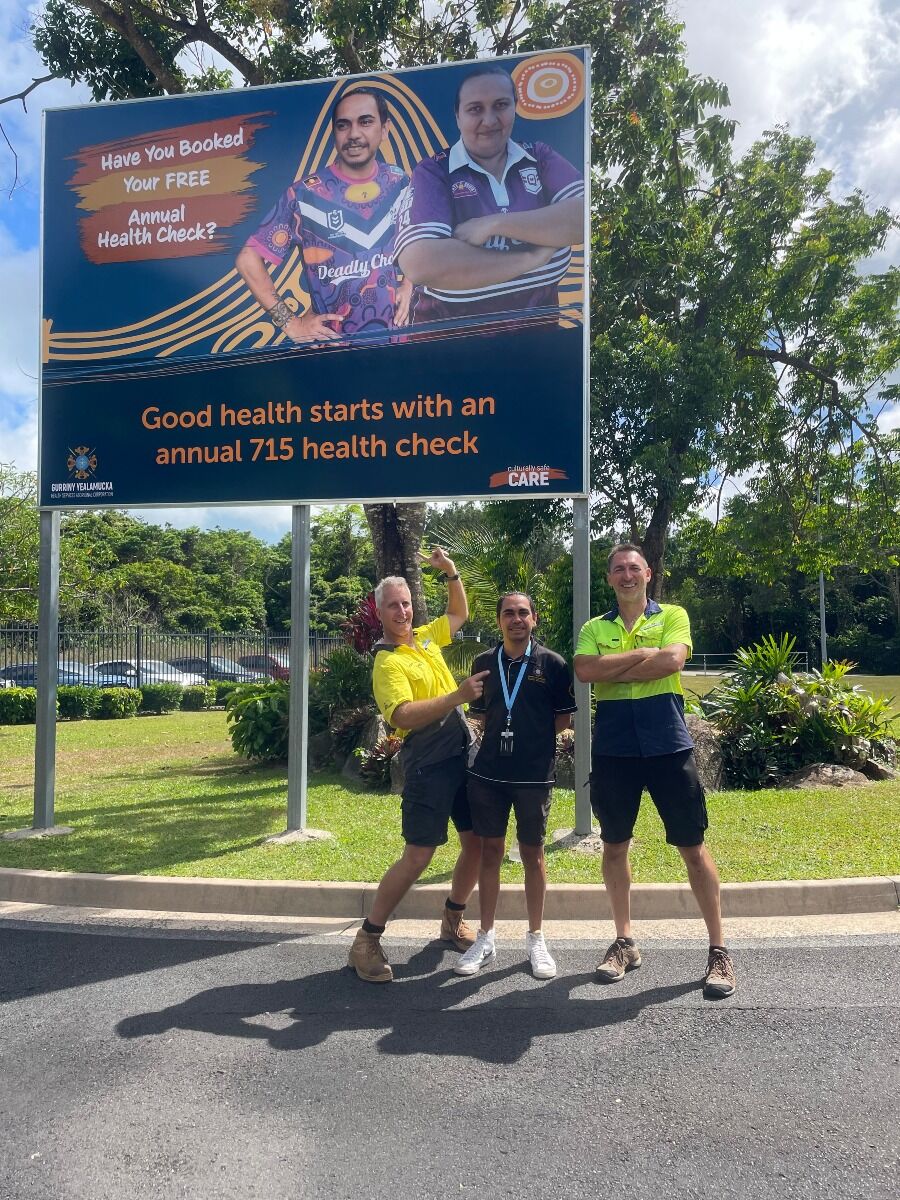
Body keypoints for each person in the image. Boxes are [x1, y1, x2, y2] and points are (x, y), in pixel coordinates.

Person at [574, 544, 736, 999]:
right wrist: (640, 655)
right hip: (615, 751)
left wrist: (617, 668)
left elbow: (672, 662)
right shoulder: (594, 627)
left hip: (667, 745)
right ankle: (624, 942)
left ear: (648, 573)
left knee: (693, 848)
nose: (627, 576)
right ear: (608, 578)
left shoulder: (674, 615)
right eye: (618, 570)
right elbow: (585, 670)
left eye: (634, 568)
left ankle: (718, 950)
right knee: (614, 846)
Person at [347, 548, 489, 984]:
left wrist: (450, 572)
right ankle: (367, 939)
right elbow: (402, 716)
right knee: (419, 855)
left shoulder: (426, 637)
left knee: (477, 844)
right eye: (393, 604)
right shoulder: (386, 661)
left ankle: (452, 919)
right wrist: (455, 698)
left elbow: (459, 613)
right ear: (379, 610)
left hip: (461, 754)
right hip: (428, 761)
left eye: (406, 602)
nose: (402, 610)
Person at [394, 65, 584, 325]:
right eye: (475, 109)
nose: (490, 120)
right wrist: (530, 257)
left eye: (501, 105)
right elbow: (421, 262)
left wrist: (495, 224)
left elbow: (583, 219)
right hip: (446, 352)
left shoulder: (538, 157)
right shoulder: (435, 171)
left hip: (539, 350)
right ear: (458, 116)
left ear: (514, 107)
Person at [454, 592, 576, 980]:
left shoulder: (553, 665)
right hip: (488, 775)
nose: (516, 619)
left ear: (534, 620)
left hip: (533, 776)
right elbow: (481, 716)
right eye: (509, 613)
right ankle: (486, 936)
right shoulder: (484, 664)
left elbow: (562, 721)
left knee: (532, 855)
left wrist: (530, 740)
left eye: (523, 613)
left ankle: (536, 937)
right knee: (489, 852)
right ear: (499, 620)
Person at [236, 88, 411, 342]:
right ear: (334, 134)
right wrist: (291, 324)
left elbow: (421, 242)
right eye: (343, 125)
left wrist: (409, 283)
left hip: (397, 349)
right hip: (332, 356)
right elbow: (247, 259)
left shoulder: (400, 182)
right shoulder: (305, 195)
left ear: (385, 129)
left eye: (365, 122)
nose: (354, 134)